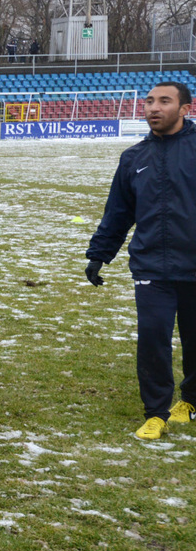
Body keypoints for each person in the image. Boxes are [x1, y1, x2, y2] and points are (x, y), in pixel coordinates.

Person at [86, 80, 196, 440]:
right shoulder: (133, 157)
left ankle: (191, 401)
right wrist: (99, 254)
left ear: (185, 109)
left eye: (164, 101)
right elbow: (119, 212)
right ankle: (156, 413)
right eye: (149, 101)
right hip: (152, 265)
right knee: (152, 339)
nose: (153, 108)